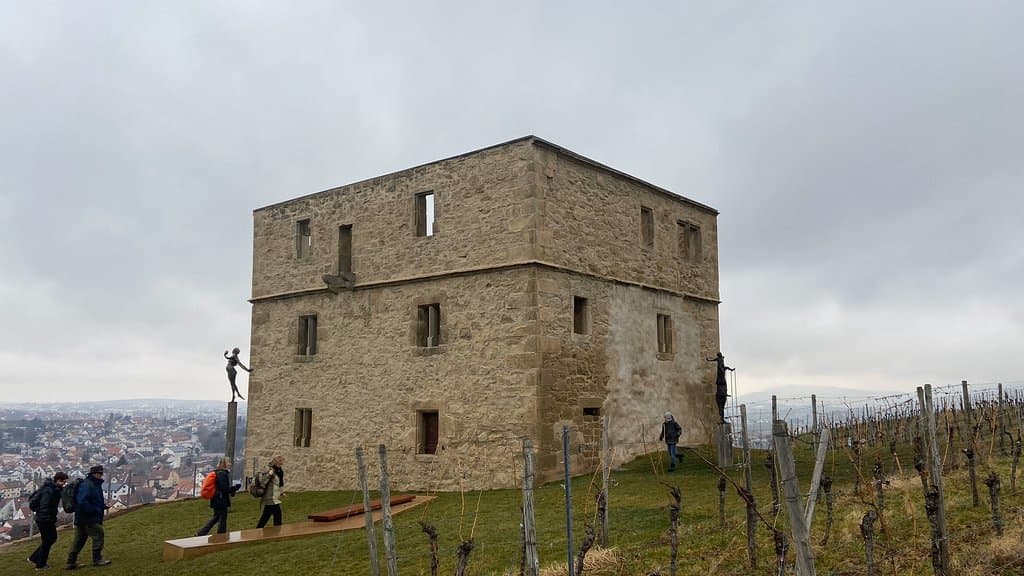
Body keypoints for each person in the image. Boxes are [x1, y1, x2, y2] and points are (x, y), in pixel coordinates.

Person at [65, 466, 111, 569]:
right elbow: (82, 502)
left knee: (79, 540)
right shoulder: (88, 485)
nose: (100, 475)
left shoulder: (91, 484)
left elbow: (93, 500)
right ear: (94, 474)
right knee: (99, 534)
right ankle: (97, 559)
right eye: (99, 474)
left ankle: (70, 562)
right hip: (89, 518)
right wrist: (95, 509)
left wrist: (102, 506)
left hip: (82, 517)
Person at [28, 471, 68, 570]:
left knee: (50, 539)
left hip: (44, 518)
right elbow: (45, 505)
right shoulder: (49, 490)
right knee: (48, 540)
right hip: (45, 519)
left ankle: (34, 557)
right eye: (64, 482)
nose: (64, 484)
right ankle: (40, 564)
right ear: (58, 480)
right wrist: (48, 518)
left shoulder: (53, 488)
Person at [196, 457, 240, 536]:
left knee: (216, 517)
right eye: (228, 462)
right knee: (222, 519)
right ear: (225, 464)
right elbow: (224, 489)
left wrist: (232, 490)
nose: (230, 464)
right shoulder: (222, 474)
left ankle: (202, 533)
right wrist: (235, 488)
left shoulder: (218, 473)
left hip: (216, 499)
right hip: (221, 499)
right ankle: (221, 536)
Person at [256, 456, 286, 528]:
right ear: (277, 462)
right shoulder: (269, 469)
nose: (282, 464)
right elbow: (263, 482)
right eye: (281, 462)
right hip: (270, 496)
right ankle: (277, 531)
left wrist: (282, 492)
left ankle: (258, 529)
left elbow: (278, 484)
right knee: (277, 515)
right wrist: (269, 475)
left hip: (274, 496)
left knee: (266, 515)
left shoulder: (279, 471)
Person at [707, 352, 735, 422]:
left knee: (721, 407)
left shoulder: (721, 360)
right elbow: (716, 361)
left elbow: (720, 363)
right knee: (721, 407)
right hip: (721, 377)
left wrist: (729, 369)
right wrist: (709, 360)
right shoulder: (719, 361)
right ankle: (721, 418)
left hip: (721, 381)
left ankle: (722, 418)